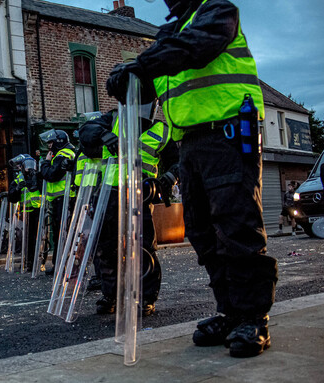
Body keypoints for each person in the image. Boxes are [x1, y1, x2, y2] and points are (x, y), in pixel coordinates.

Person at [106, 0, 278, 358]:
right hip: (190, 142)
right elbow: (156, 74)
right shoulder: (170, 31)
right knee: (202, 231)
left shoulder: (217, 10)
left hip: (228, 133)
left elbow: (194, 50)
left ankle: (253, 318)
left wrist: (139, 65)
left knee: (236, 227)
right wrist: (127, 77)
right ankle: (230, 313)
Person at [78, 108, 179, 317]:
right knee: (106, 249)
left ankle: (146, 298)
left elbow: (179, 160)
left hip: (140, 197)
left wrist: (170, 176)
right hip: (109, 194)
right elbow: (86, 131)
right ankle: (111, 295)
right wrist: (103, 134)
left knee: (143, 248)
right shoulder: (113, 119)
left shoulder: (162, 130)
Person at [39, 129, 76, 275]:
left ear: (58, 141)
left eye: (51, 142)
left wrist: (46, 163)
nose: (49, 146)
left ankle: (65, 265)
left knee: (64, 233)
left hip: (64, 199)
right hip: (59, 199)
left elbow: (51, 175)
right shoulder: (59, 155)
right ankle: (59, 265)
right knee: (59, 233)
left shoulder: (63, 154)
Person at [7, 154, 42, 271]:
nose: (28, 168)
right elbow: (11, 197)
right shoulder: (18, 179)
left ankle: (38, 262)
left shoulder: (38, 176)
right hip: (26, 213)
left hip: (39, 211)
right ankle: (28, 262)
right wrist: (17, 189)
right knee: (27, 239)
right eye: (26, 166)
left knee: (39, 239)